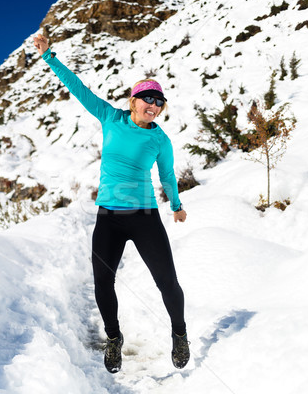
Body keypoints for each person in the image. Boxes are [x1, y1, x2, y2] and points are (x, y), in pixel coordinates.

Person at [33, 34, 190, 373]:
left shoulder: (160, 139)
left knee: (167, 281)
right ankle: (114, 339)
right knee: (103, 282)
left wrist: (176, 205)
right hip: (109, 218)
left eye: (158, 101)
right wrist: (49, 57)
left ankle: (180, 334)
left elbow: (167, 175)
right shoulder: (110, 117)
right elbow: (79, 90)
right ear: (133, 101)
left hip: (146, 217)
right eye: (146, 98)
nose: (153, 104)